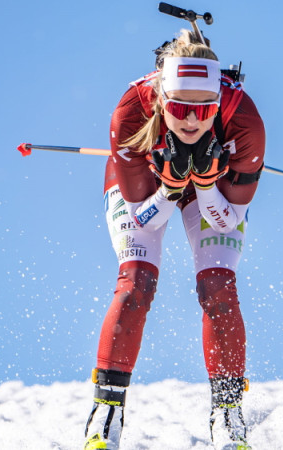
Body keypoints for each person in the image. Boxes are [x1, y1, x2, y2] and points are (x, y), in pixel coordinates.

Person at [84, 29, 265, 450]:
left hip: (213, 191)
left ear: (219, 102)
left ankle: (228, 417)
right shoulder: (130, 113)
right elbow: (141, 214)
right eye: (181, 107)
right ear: (162, 99)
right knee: (137, 281)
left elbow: (226, 220)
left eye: (204, 111)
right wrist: (168, 187)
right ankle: (106, 414)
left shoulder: (246, 124)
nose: (191, 121)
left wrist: (202, 184)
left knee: (218, 285)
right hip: (147, 186)